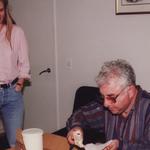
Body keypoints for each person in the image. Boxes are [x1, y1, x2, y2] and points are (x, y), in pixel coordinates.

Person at [67, 59, 150, 150]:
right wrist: (76, 128)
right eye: (103, 97)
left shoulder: (147, 108)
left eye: (111, 97)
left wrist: (120, 146)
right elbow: (80, 114)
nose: (105, 104)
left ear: (130, 91)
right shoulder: (108, 106)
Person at [0, 0, 30, 148]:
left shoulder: (16, 32)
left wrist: (19, 84)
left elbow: (24, 62)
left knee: (16, 143)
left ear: (5, 10)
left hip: (12, 94)